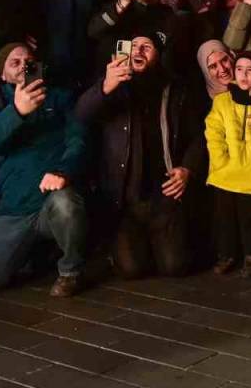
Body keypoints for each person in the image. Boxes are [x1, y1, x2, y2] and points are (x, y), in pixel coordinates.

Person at [75, 31, 205, 279]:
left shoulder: (176, 89)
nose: (139, 51)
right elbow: (81, 115)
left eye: (147, 47)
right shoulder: (112, 84)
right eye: (133, 46)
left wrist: (187, 169)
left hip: (164, 195)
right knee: (132, 270)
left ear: (158, 55)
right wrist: (106, 87)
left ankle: (158, 238)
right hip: (125, 200)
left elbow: (199, 136)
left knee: (174, 267)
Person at [0, 43, 88, 297]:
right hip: (16, 207)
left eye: (29, 61)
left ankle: (70, 272)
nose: (24, 65)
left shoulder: (59, 98)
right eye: (14, 62)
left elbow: (77, 140)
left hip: (50, 200)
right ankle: (36, 253)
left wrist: (63, 171)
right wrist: (17, 111)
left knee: (66, 204)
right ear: (2, 75)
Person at [204, 50, 251, 277]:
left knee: (249, 218)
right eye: (239, 69)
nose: (243, 75)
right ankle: (227, 254)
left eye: (250, 70)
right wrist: (220, 161)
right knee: (225, 217)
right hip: (225, 170)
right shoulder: (223, 101)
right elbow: (213, 132)